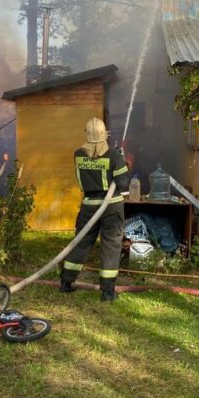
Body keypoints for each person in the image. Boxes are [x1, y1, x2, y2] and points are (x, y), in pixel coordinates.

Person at [59, 117, 130, 301]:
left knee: (81, 242)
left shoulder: (78, 154)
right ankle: (107, 292)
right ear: (104, 134)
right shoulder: (113, 155)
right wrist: (122, 162)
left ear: (87, 134)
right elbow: (122, 184)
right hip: (111, 207)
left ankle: (66, 282)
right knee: (111, 246)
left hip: (89, 206)